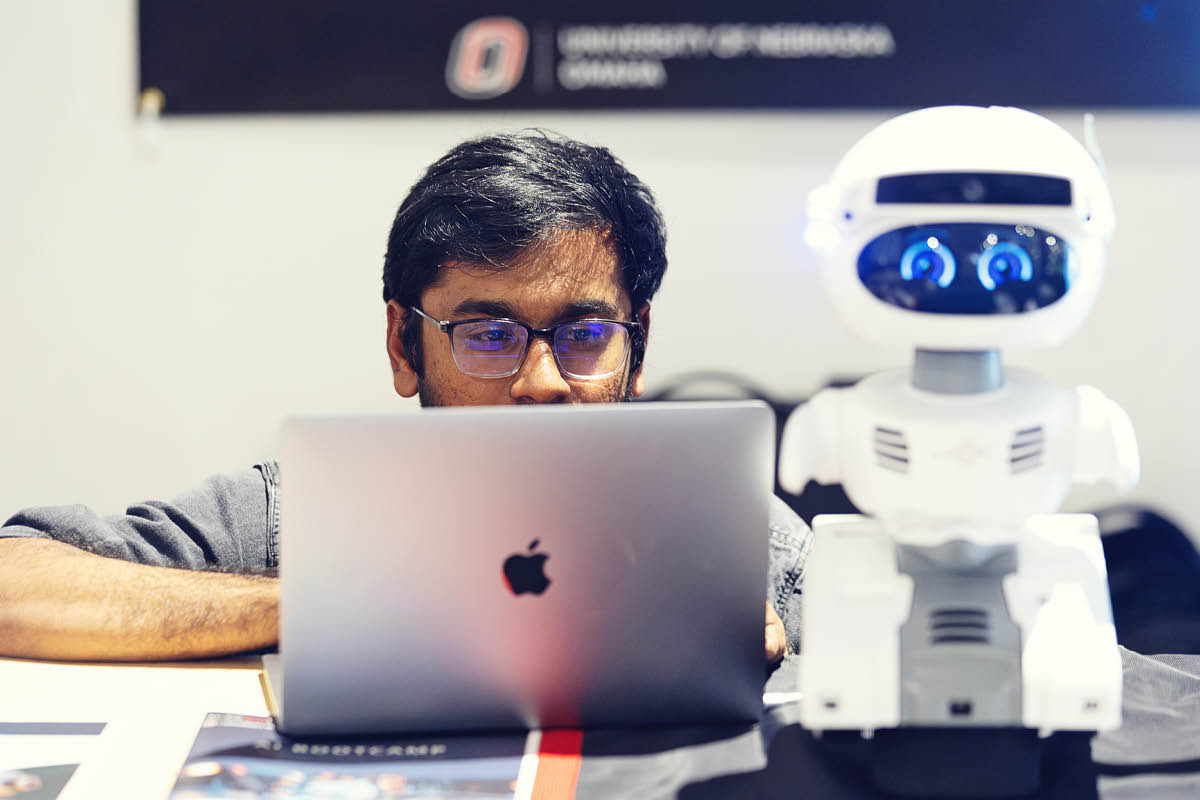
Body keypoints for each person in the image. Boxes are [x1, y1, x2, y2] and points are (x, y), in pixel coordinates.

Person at [0, 131, 810, 663]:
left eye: (583, 335)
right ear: (403, 344)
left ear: (638, 347)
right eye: (489, 336)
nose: (540, 384)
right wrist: (339, 603)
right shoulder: (292, 516)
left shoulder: (741, 537)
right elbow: (15, 584)